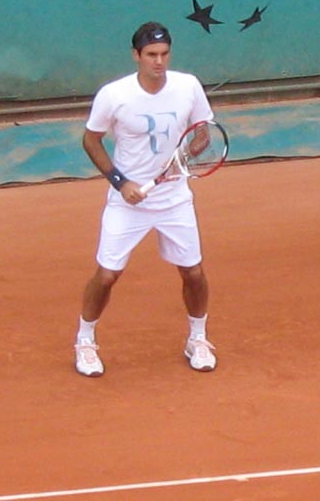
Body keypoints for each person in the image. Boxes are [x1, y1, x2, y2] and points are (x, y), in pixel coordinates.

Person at [74, 21, 217, 377]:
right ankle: (85, 342)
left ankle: (197, 338)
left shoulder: (188, 86)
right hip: (127, 202)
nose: (159, 62)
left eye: (164, 54)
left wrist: (184, 157)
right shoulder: (114, 95)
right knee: (107, 275)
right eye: (151, 55)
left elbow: (204, 134)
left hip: (175, 199)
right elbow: (91, 140)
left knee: (193, 272)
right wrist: (121, 183)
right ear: (136, 55)